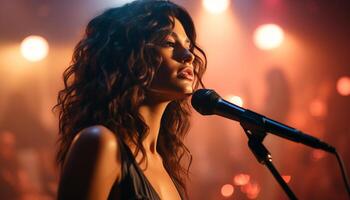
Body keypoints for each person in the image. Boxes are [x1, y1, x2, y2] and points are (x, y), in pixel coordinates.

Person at [54, 0, 206, 199]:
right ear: (129, 58)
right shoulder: (100, 143)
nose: (188, 55)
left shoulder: (162, 159)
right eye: (169, 43)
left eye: (188, 45)